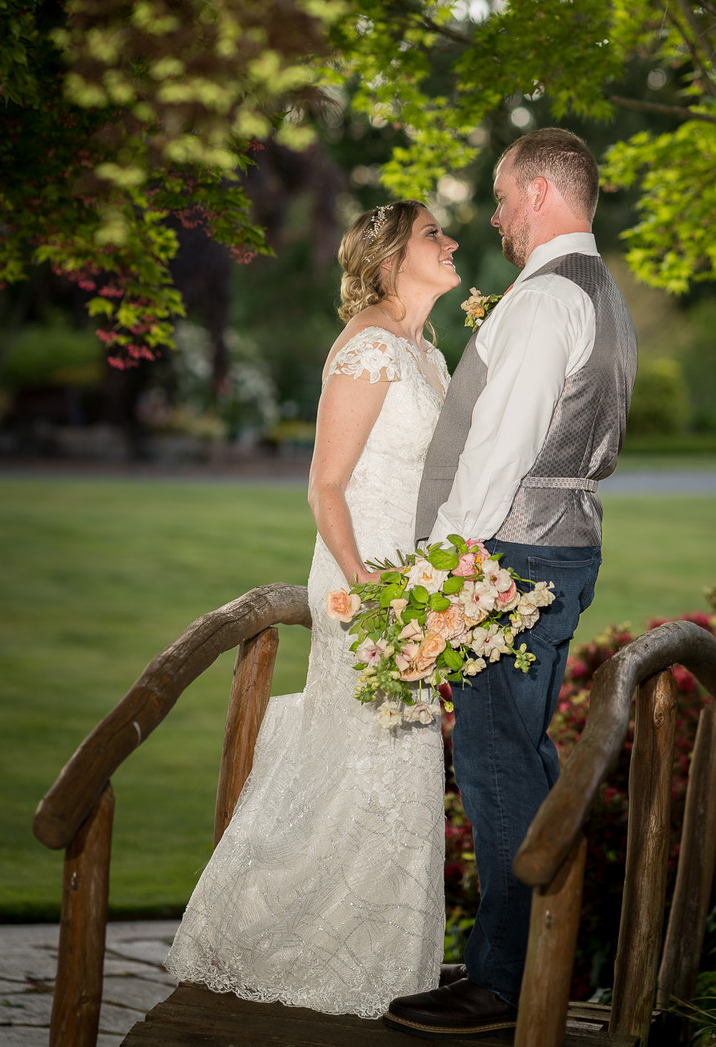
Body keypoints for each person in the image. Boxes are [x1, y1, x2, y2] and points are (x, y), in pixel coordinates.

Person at [165, 200, 461, 1018]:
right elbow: (325, 484)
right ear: (396, 256)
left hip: (415, 589)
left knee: (395, 772)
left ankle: (379, 966)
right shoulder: (369, 349)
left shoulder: (426, 353)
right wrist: (370, 592)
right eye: (436, 233)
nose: (453, 242)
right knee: (374, 763)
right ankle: (280, 943)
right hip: (365, 589)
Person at [386, 128, 637, 1037]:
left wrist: (442, 574)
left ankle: (498, 985)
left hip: (508, 559)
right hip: (558, 551)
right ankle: (529, 954)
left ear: (537, 191)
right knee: (524, 756)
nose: (493, 219)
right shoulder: (602, 293)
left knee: (493, 762)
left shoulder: (542, 303)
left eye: (499, 199)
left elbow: (497, 456)